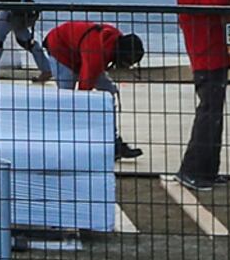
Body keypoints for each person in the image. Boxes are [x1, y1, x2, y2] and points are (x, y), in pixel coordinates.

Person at [173, 0, 230, 188]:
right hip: (208, 64)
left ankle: (208, 171)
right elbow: (218, 3)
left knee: (212, 119)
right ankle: (192, 171)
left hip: (212, 63)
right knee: (207, 120)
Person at [36, 17, 147, 161]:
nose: (126, 66)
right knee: (68, 98)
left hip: (79, 50)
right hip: (60, 50)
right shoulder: (96, 54)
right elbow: (84, 91)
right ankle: (68, 141)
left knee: (110, 92)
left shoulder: (113, 41)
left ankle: (113, 142)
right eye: (127, 62)